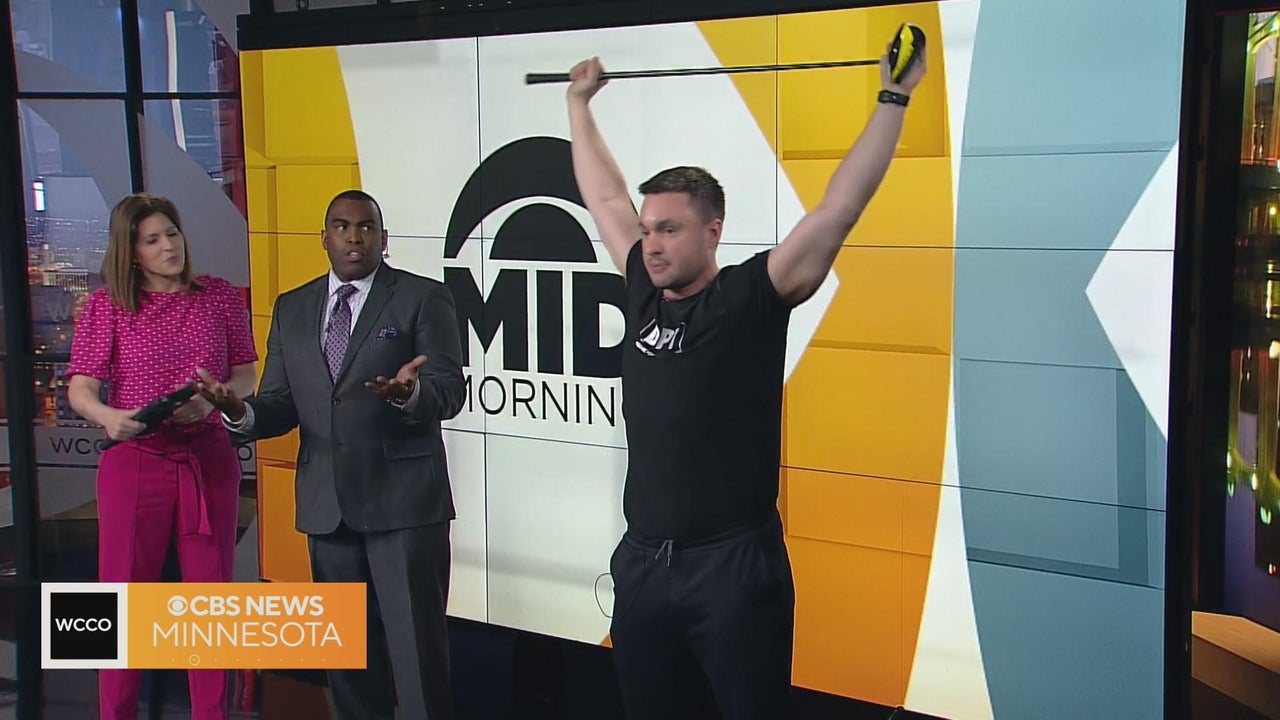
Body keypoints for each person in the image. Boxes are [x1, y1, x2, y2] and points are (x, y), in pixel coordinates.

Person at [564, 40, 927, 720]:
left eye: (670, 230)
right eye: (648, 230)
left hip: (732, 568)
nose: (652, 244)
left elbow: (837, 210)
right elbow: (606, 195)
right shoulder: (642, 288)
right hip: (643, 563)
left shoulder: (749, 298)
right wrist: (578, 104)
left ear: (713, 232)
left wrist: (893, 96)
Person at [193, 189, 466, 720]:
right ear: (324, 238)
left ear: (383, 239)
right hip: (328, 509)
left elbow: (449, 391)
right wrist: (239, 411)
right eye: (341, 226)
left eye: (366, 227)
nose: (354, 237)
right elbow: (280, 403)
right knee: (347, 662)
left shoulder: (423, 298)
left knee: (417, 656)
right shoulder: (292, 308)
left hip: (405, 508)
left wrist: (410, 393)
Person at [66, 193, 258, 720]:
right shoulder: (108, 306)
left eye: (171, 233)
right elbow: (80, 388)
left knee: (209, 603)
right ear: (131, 252)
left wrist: (214, 399)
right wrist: (109, 417)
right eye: (152, 240)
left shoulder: (218, 297)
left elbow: (246, 372)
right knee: (125, 599)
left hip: (207, 460)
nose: (169, 246)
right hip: (135, 460)